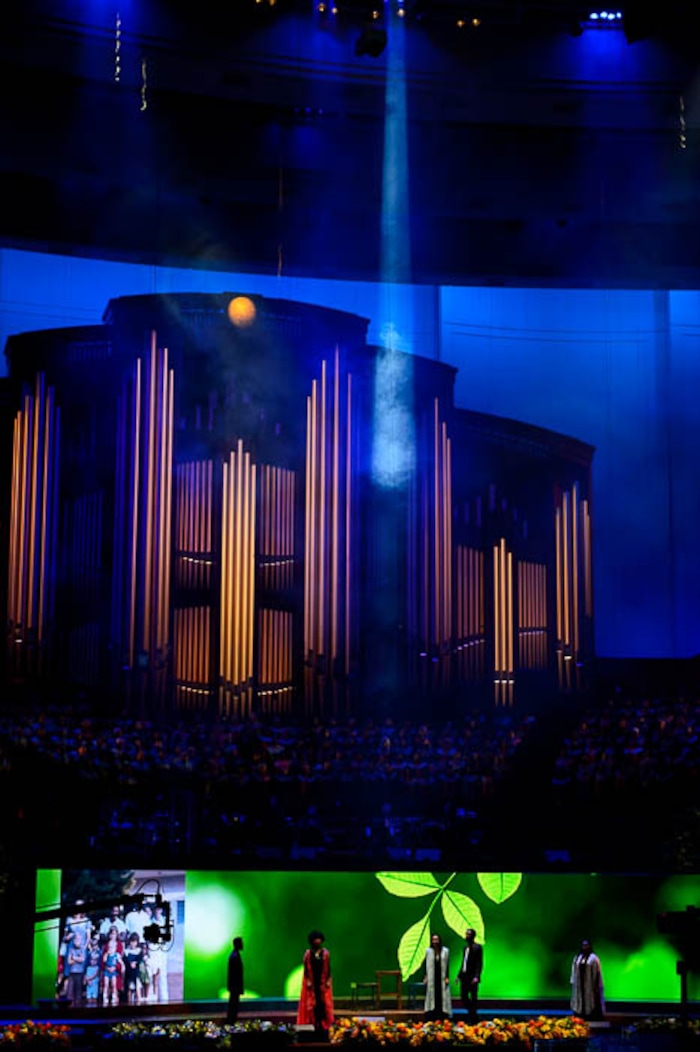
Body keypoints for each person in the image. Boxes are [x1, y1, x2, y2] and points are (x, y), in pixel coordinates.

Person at [297, 930, 334, 1037]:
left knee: (323, 1004)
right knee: (312, 1004)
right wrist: (307, 980)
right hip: (312, 983)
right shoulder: (308, 953)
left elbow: (328, 968)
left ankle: (323, 1025)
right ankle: (313, 1024)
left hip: (322, 983)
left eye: (319, 939)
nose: (317, 941)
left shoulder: (325, 953)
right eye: (315, 939)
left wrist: (328, 981)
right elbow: (305, 969)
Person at [570, 938, 604, 1020]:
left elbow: (598, 972)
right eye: (583, 945)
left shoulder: (594, 958)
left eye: (586, 945)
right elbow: (573, 970)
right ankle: (579, 1014)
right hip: (579, 984)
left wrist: (597, 985)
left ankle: (590, 1015)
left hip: (589, 984)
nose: (585, 947)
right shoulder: (577, 957)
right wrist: (573, 981)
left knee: (590, 1000)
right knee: (578, 1000)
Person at [423, 932, 452, 1021]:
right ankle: (432, 1014)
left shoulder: (445, 951)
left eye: (436, 940)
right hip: (432, 977)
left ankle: (442, 1014)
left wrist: (447, 977)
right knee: (432, 995)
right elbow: (426, 965)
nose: (435, 942)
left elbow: (447, 965)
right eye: (433, 940)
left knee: (442, 995)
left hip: (441, 977)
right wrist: (426, 976)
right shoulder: (428, 951)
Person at [456, 928, 483, 1024]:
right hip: (464, 976)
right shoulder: (465, 948)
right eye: (466, 934)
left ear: (473, 936)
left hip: (472, 977)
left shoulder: (478, 947)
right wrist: (458, 976)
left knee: (473, 997)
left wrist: (477, 976)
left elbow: (479, 963)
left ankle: (473, 1018)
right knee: (463, 997)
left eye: (469, 934)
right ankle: (473, 1014)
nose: (467, 936)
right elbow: (463, 963)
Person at [227, 936, 244, 1023]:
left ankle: (231, 1021)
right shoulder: (234, 956)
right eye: (241, 942)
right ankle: (231, 1022)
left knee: (233, 1006)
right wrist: (237, 987)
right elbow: (234, 974)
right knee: (233, 1006)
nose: (242, 944)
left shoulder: (234, 955)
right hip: (235, 987)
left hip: (234, 987)